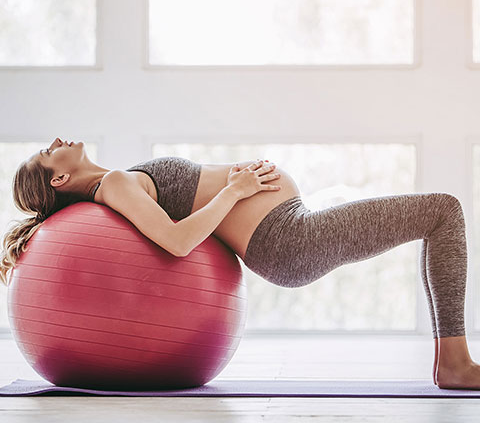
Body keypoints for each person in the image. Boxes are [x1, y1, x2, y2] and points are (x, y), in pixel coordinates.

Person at [0, 137, 477, 390]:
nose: (56, 140)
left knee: (438, 213)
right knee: (443, 211)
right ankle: (454, 362)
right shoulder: (117, 187)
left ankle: (451, 360)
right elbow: (177, 241)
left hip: (291, 229)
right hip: (289, 241)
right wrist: (237, 189)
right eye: (47, 152)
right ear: (60, 177)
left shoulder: (117, 183)